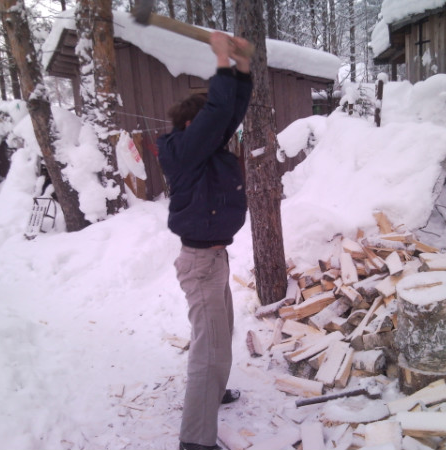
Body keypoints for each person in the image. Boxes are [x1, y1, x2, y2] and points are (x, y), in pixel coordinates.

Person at [157, 32, 253, 450]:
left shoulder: (201, 149)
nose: (216, 134)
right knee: (208, 350)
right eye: (205, 128)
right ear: (189, 127)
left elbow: (228, 114)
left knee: (220, 336)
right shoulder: (183, 150)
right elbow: (216, 115)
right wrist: (221, 59)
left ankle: (212, 395)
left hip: (215, 259)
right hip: (200, 263)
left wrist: (242, 67)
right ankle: (195, 441)